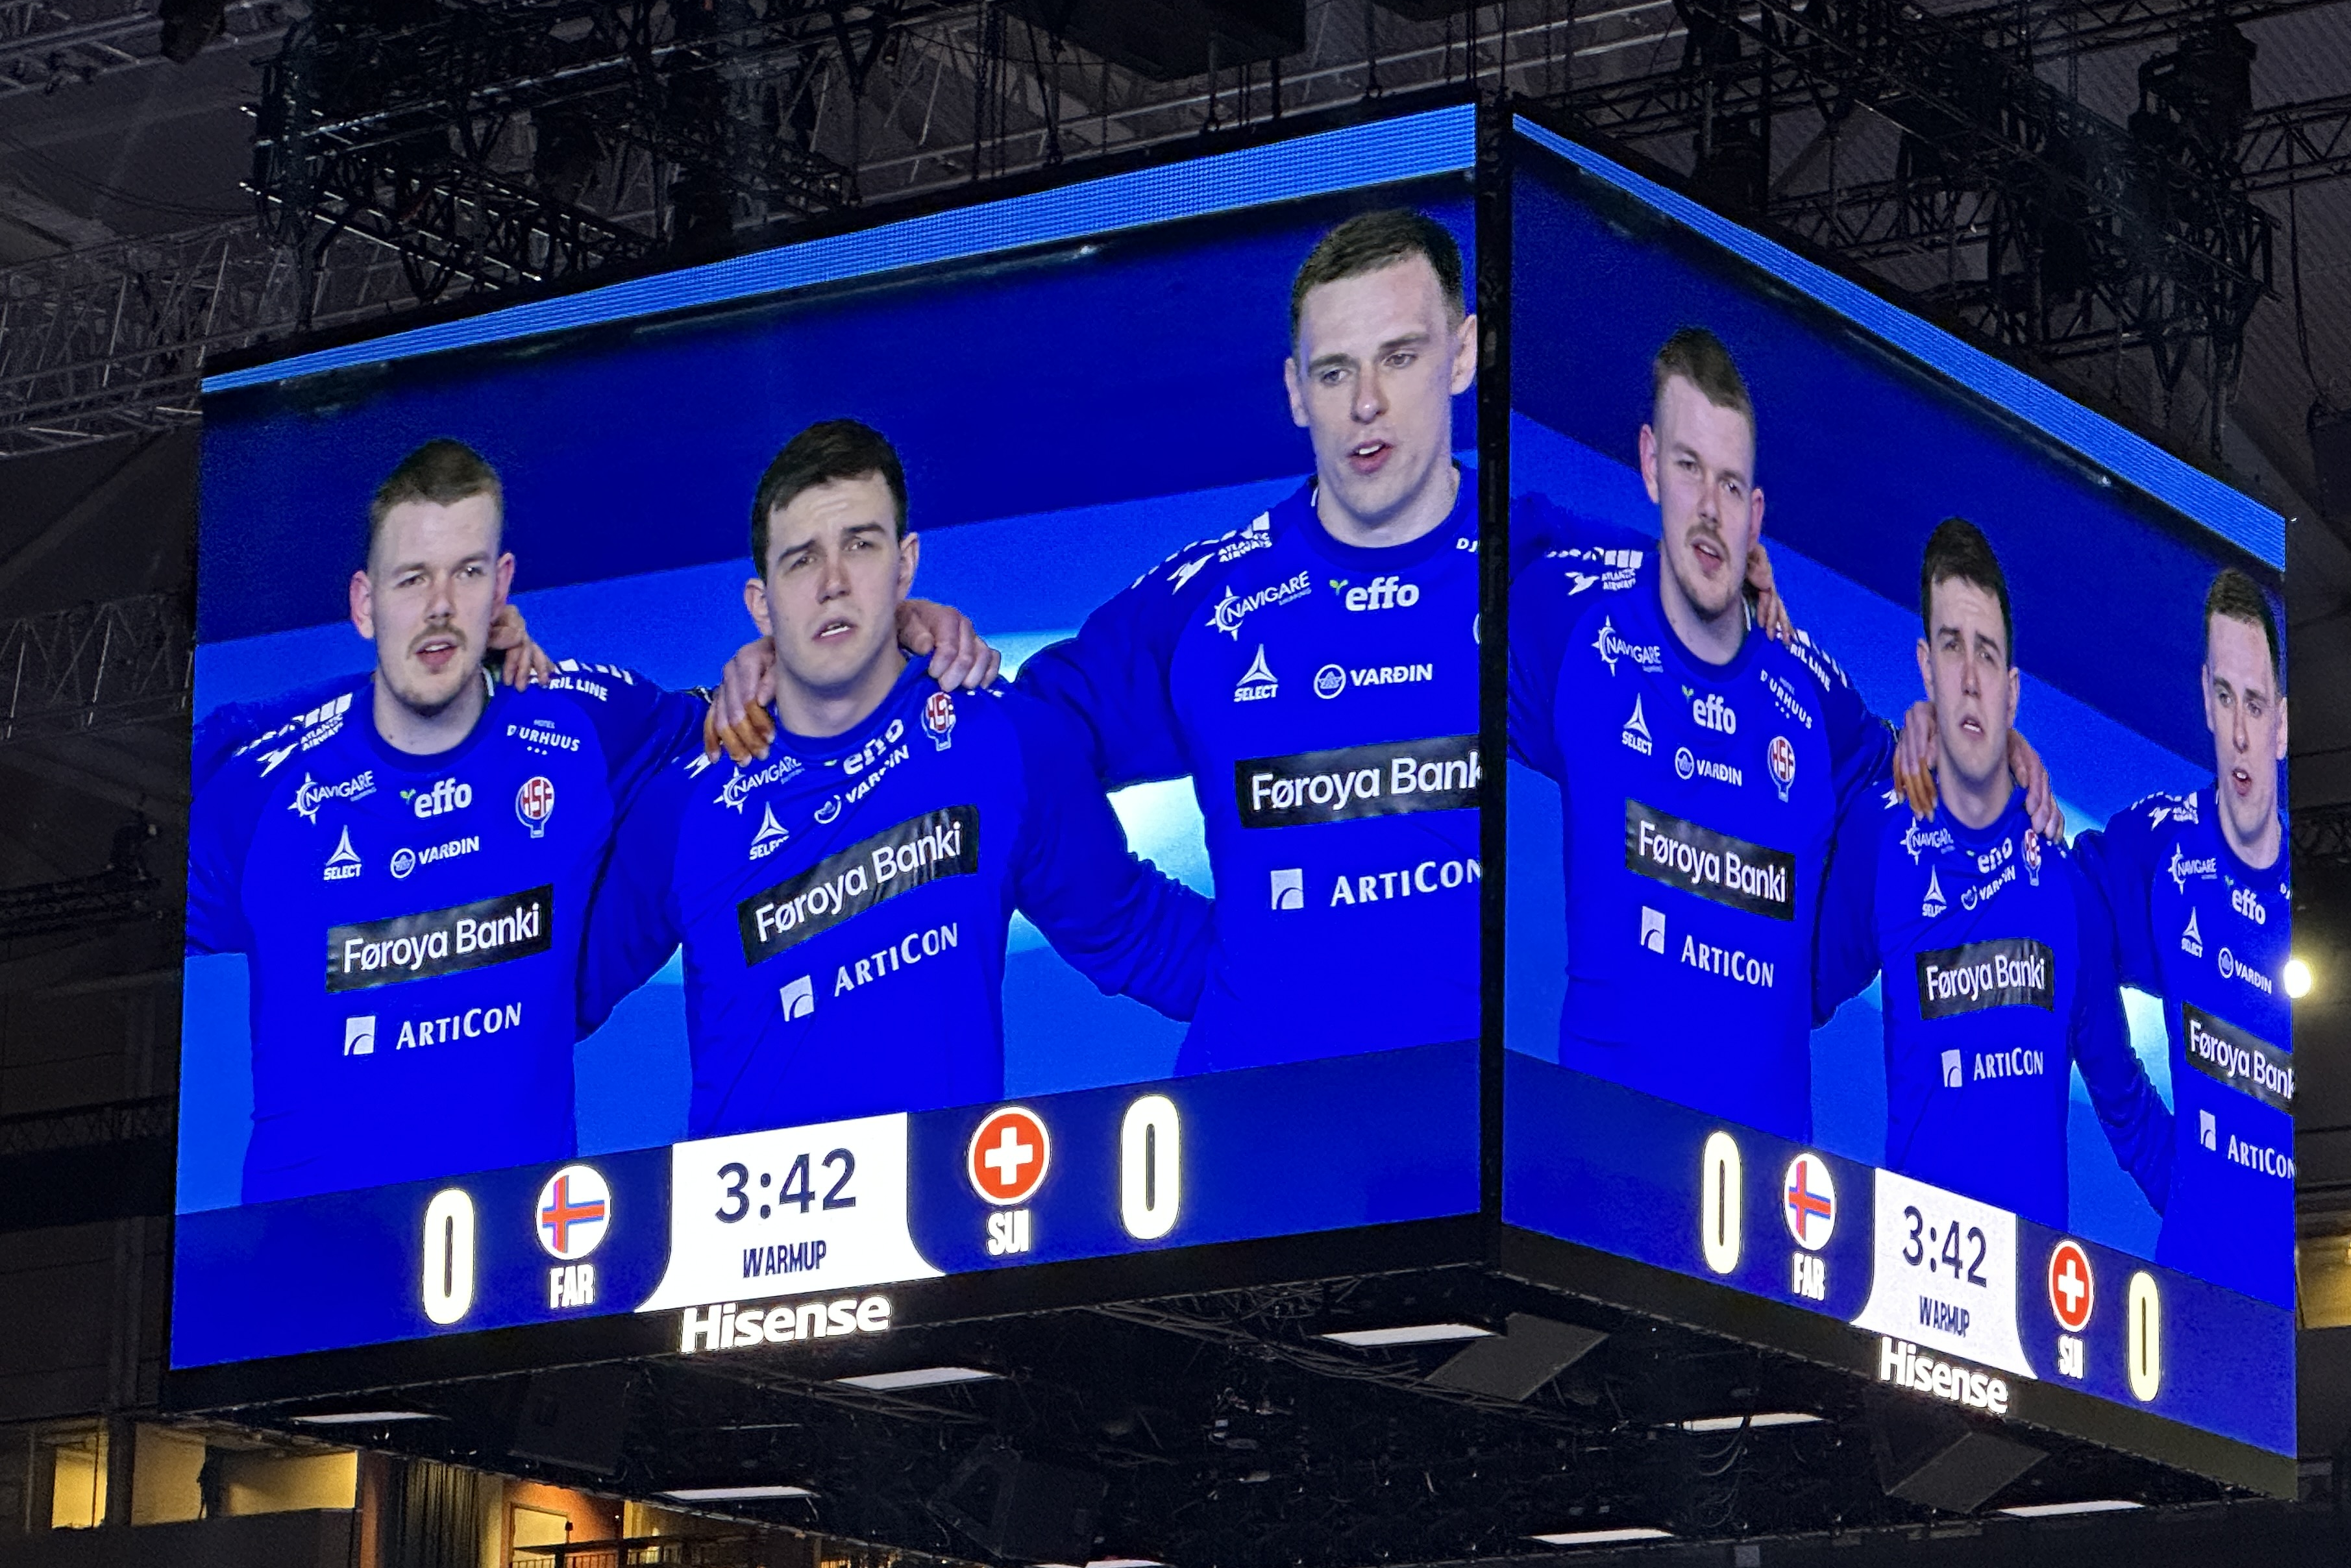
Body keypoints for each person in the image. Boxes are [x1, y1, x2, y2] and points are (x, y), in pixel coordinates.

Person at [711, 208, 1496, 1074]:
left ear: (1462, 355)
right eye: (1335, 370)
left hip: (1488, 1117)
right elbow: (1014, 745)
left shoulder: (1546, 579)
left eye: (1401, 357)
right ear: (1295, 390)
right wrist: (866, 648)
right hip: (1258, 1122)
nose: (1367, 403)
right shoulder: (1212, 602)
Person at [188, 437, 996, 1205]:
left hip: (519, 1262)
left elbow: (751, 714)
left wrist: (894, 625)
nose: (439, 608)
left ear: (501, 586)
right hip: (305, 1268)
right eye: (411, 581)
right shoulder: (260, 793)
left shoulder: (581, 726)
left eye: (467, 574)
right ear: (364, 604)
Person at [1509, 330, 2067, 1144]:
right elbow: (1456, 534)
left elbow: (1910, 770)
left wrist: (1983, 743)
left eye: (1732, 486)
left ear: (1757, 512)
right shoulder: (1577, 626)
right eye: (1689, 468)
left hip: (1771, 1198)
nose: (1711, 508)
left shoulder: (1805, 686)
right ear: (1650, 464)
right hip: (1604, 1170)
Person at [578, 420, 1211, 1136]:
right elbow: (543, 1004)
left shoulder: (1003, 742)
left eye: (861, 545)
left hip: (947, 1202)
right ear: (761, 602)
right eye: (802, 561)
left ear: (905, 565)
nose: (834, 584)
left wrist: (1310, 977)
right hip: (742, 1209)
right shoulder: (686, 807)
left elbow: (1142, 935)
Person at [1812, 519, 2173, 1228]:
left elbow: (2128, 1108)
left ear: (2013, 690)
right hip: (1908, 1275)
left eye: (1987, 653)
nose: (1970, 681)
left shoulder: (2068, 890)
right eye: (1952, 648)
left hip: (2039, 1287)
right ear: (1926, 666)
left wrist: (2235, 1240)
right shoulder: (1882, 841)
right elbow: (1791, 994)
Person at [2073, 569, 2293, 1302]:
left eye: (2255, 704)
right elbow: (2074, 912)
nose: (2239, 734)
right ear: (2205, 697)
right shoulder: (2164, 844)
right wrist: (2147, 1142)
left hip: (2300, 1312)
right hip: (2192, 1291)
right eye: (2225, 698)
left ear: (2282, 724)